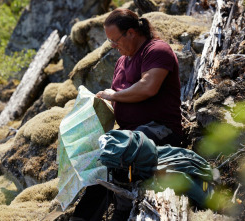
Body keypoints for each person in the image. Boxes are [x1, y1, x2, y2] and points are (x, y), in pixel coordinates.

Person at [71, 8, 182, 221]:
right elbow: (121, 97)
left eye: (115, 40)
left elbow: (148, 87)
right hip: (129, 132)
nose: (113, 46)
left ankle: (121, 215)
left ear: (131, 32)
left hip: (161, 130)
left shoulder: (157, 50)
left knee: (121, 151)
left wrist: (114, 95)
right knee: (97, 157)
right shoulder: (123, 61)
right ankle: (82, 218)